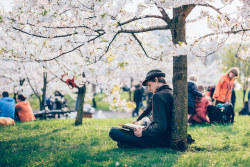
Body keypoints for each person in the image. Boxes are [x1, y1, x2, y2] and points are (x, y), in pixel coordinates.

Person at [109, 69, 173, 148]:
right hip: (166, 137)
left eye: (149, 85)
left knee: (113, 131)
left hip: (157, 139)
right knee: (122, 143)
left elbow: (161, 126)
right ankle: (128, 144)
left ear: (156, 80)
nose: (149, 89)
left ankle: (133, 143)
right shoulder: (171, 93)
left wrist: (142, 132)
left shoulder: (158, 96)